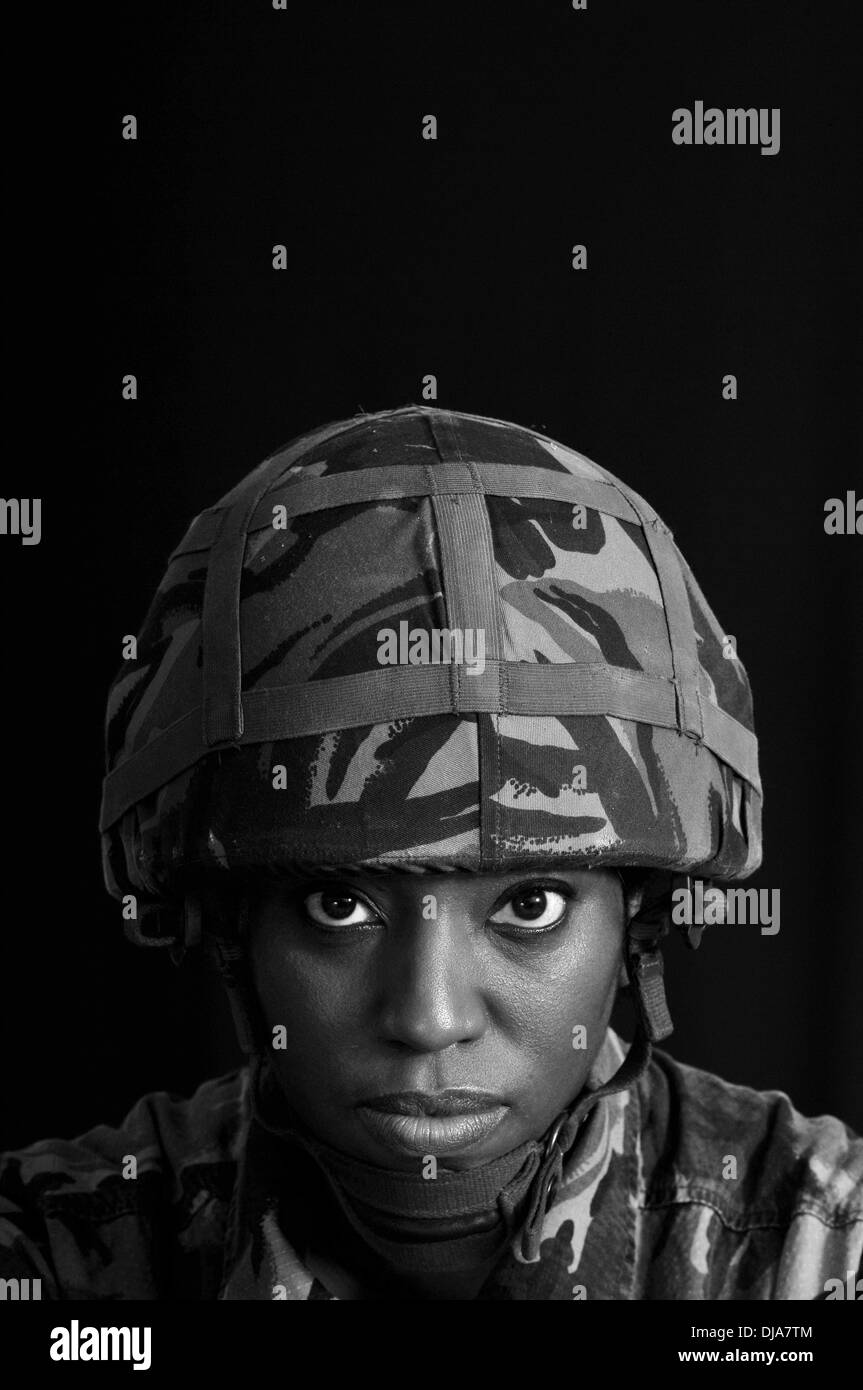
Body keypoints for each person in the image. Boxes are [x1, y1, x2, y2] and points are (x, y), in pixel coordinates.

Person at [1, 405, 860, 1301]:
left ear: (637, 920)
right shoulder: (65, 1258)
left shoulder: (814, 1254)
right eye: (339, 903)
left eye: (530, 903)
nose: (428, 1016)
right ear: (229, 926)